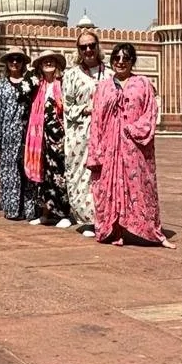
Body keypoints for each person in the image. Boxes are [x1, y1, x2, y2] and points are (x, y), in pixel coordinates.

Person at [87, 42, 173, 247]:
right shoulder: (103, 87)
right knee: (109, 189)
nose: (120, 62)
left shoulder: (143, 83)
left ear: (133, 61)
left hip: (135, 148)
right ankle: (114, 230)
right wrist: (95, 150)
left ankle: (153, 233)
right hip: (109, 147)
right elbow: (97, 120)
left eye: (126, 58)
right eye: (116, 58)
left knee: (141, 188)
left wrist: (131, 130)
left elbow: (150, 113)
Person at [62, 30, 107, 238]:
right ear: (78, 50)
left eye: (91, 45)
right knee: (81, 177)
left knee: (105, 177)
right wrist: (87, 109)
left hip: (106, 134)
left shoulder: (110, 74)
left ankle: (105, 218)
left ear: (97, 46)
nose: (88, 50)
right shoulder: (71, 75)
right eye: (83, 47)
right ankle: (88, 220)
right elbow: (67, 106)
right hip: (80, 136)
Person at [0, 50, 38, 220]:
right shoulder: (0, 85)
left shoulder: (31, 83)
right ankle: (12, 209)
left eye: (18, 60)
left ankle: (29, 209)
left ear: (23, 63)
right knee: (8, 173)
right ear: (7, 63)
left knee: (28, 172)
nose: (15, 63)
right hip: (7, 137)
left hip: (28, 135)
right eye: (11, 60)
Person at [23, 49, 71, 228]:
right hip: (39, 136)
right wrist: (30, 76)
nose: (48, 64)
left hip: (58, 136)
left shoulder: (63, 84)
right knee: (42, 174)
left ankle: (62, 213)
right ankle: (44, 213)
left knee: (58, 174)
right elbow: (22, 94)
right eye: (45, 62)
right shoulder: (37, 86)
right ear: (40, 67)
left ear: (57, 64)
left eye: (51, 61)